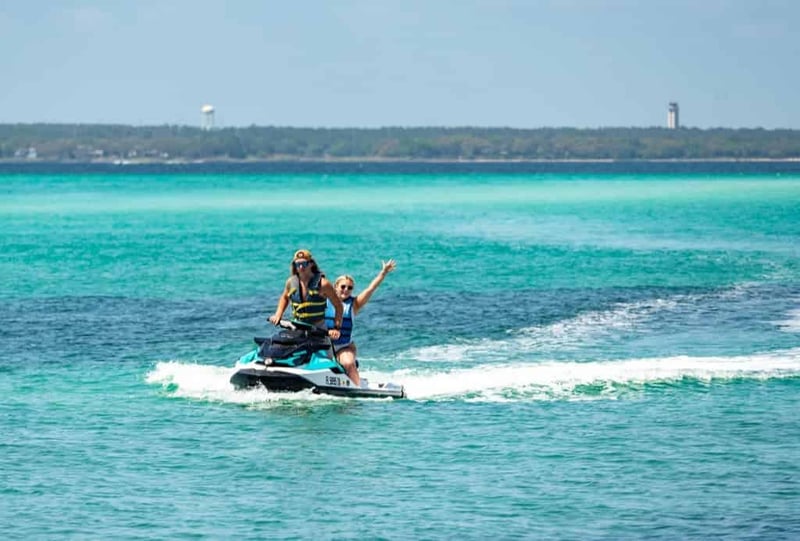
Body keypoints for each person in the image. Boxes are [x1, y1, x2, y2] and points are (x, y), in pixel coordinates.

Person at [324, 259, 397, 386]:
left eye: (350, 288)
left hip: (343, 347)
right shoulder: (323, 302)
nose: (346, 290)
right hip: (322, 345)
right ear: (335, 287)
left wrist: (383, 273)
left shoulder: (354, 304)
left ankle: (356, 388)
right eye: (343, 286)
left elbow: (370, 289)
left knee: (348, 363)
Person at [269, 249, 343, 343]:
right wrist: (278, 314)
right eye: (297, 264)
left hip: (318, 328)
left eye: (304, 264)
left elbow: (338, 306)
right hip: (297, 326)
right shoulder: (291, 282)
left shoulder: (323, 284)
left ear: (311, 264)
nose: (301, 267)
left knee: (324, 356)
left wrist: (336, 328)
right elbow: (284, 298)